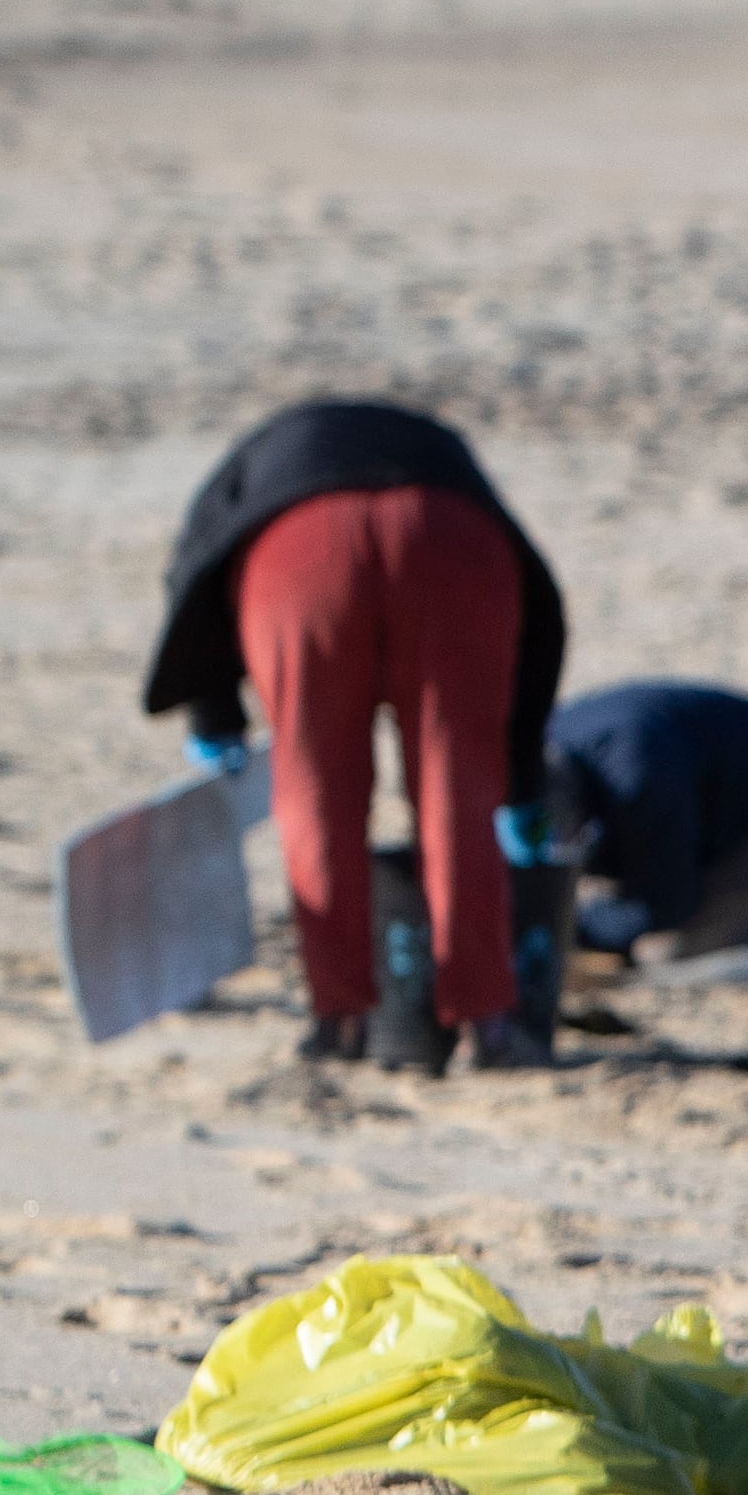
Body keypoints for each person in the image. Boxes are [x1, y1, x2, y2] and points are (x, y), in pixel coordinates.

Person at [143, 399, 570, 1073]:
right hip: (453, 542)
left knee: (315, 791)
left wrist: (213, 715)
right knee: (461, 791)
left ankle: (336, 1020)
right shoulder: (445, 453)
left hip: (299, 554)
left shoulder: (257, 456)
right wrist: (520, 780)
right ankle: (488, 1024)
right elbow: (536, 627)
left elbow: (195, 568)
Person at [545, 679, 748, 981]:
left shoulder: (636, 779)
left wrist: (564, 927)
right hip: (695, 798)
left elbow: (668, 902)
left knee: (668, 952)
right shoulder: (538, 754)